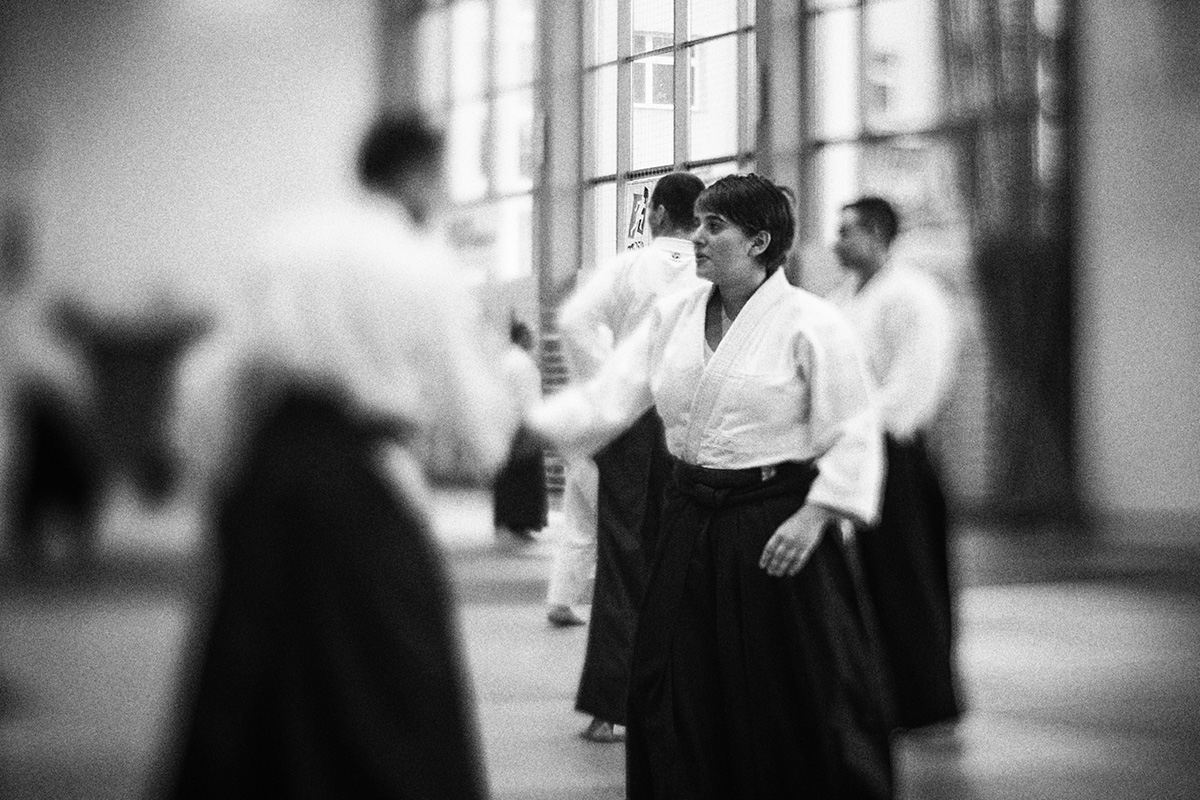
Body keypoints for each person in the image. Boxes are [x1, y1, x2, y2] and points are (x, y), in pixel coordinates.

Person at [159, 113, 517, 799]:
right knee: (390, 677)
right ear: (418, 174)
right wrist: (490, 446)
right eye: (439, 180)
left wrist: (220, 473)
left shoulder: (284, 244)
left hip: (271, 464)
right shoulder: (416, 259)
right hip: (360, 474)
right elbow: (466, 399)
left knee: (253, 673)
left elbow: (215, 374)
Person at [531, 173, 894, 798]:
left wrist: (814, 517)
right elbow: (609, 397)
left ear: (759, 241)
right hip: (688, 515)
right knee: (672, 682)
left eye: (714, 226)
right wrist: (529, 429)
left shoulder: (812, 322)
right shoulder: (673, 314)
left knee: (784, 690)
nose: (695, 237)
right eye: (697, 221)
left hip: (774, 523)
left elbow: (854, 429)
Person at [547, 171, 706, 743]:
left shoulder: (629, 267)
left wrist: (613, 384)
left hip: (634, 427)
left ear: (657, 213)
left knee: (623, 558)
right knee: (691, 562)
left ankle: (611, 708)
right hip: (696, 423)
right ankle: (686, 701)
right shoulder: (714, 269)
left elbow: (572, 322)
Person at [829, 195, 962, 731]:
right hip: (852, 447)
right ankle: (878, 693)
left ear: (878, 235)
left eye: (848, 231)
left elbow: (916, 381)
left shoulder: (913, 294)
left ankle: (925, 701)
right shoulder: (843, 299)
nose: (838, 242)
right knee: (868, 582)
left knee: (908, 579)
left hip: (896, 450)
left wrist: (869, 428)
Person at [492, 319, 548, 541]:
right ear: (523, 336)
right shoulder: (523, 363)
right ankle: (520, 523)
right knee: (525, 477)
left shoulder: (505, 360)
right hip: (523, 425)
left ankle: (505, 520)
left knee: (508, 475)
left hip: (505, 424)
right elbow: (527, 398)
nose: (534, 339)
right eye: (531, 335)